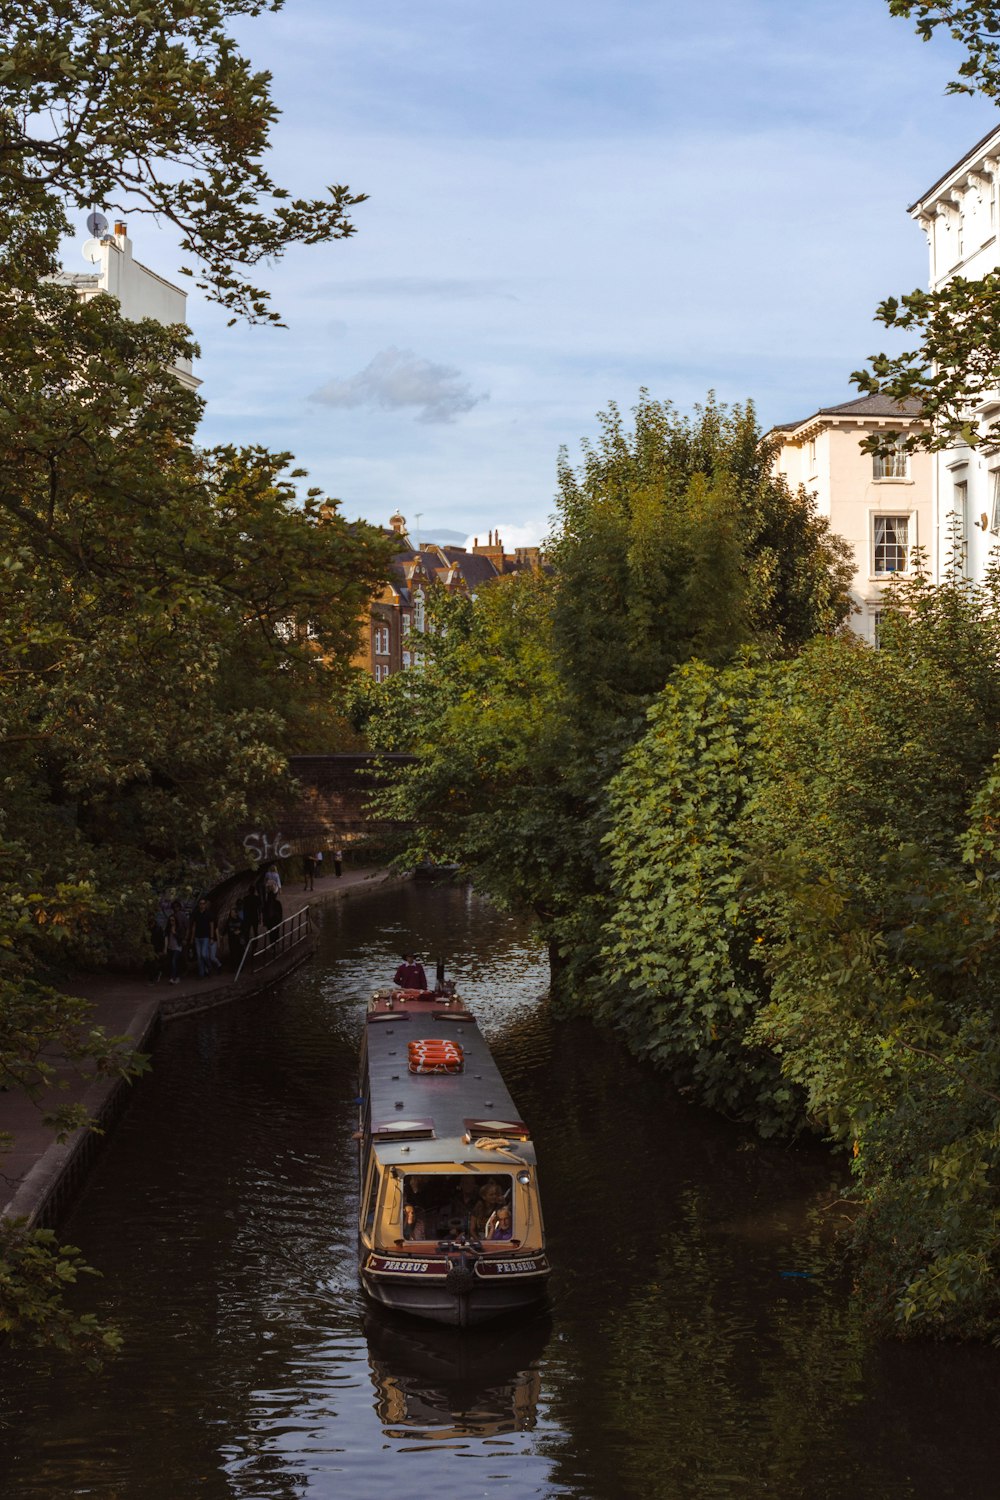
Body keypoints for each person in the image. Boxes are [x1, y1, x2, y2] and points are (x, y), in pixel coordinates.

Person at [191, 897, 218, 978]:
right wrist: (192, 937)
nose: (202, 905)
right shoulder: (196, 913)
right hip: (197, 937)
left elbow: (212, 926)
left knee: (204, 955)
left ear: (205, 905)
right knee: (199, 956)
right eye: (200, 904)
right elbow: (194, 926)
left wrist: (212, 937)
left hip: (205, 937)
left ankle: (209, 967)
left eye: (203, 904)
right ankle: (201, 973)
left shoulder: (209, 914)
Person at [164, 914, 184, 984]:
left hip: (177, 947)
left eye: (173, 920)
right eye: (170, 920)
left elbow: (181, 938)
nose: (171, 922)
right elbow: (166, 938)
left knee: (174, 961)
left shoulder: (179, 928)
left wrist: (174, 932)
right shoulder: (168, 929)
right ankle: (176, 976)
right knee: (172, 963)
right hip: (170, 947)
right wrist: (165, 948)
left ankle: (173, 978)